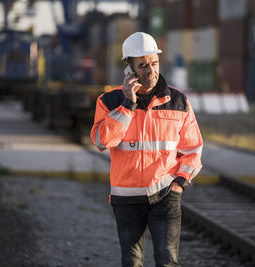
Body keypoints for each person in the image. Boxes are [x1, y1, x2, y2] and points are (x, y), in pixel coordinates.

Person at [90, 32, 203, 267]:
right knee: (132, 262)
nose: (150, 70)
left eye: (154, 63)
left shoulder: (178, 102)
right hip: (126, 199)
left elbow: (192, 149)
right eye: (142, 65)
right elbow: (102, 140)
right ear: (128, 68)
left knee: (167, 260)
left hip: (165, 195)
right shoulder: (108, 102)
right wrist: (127, 105)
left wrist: (179, 184)